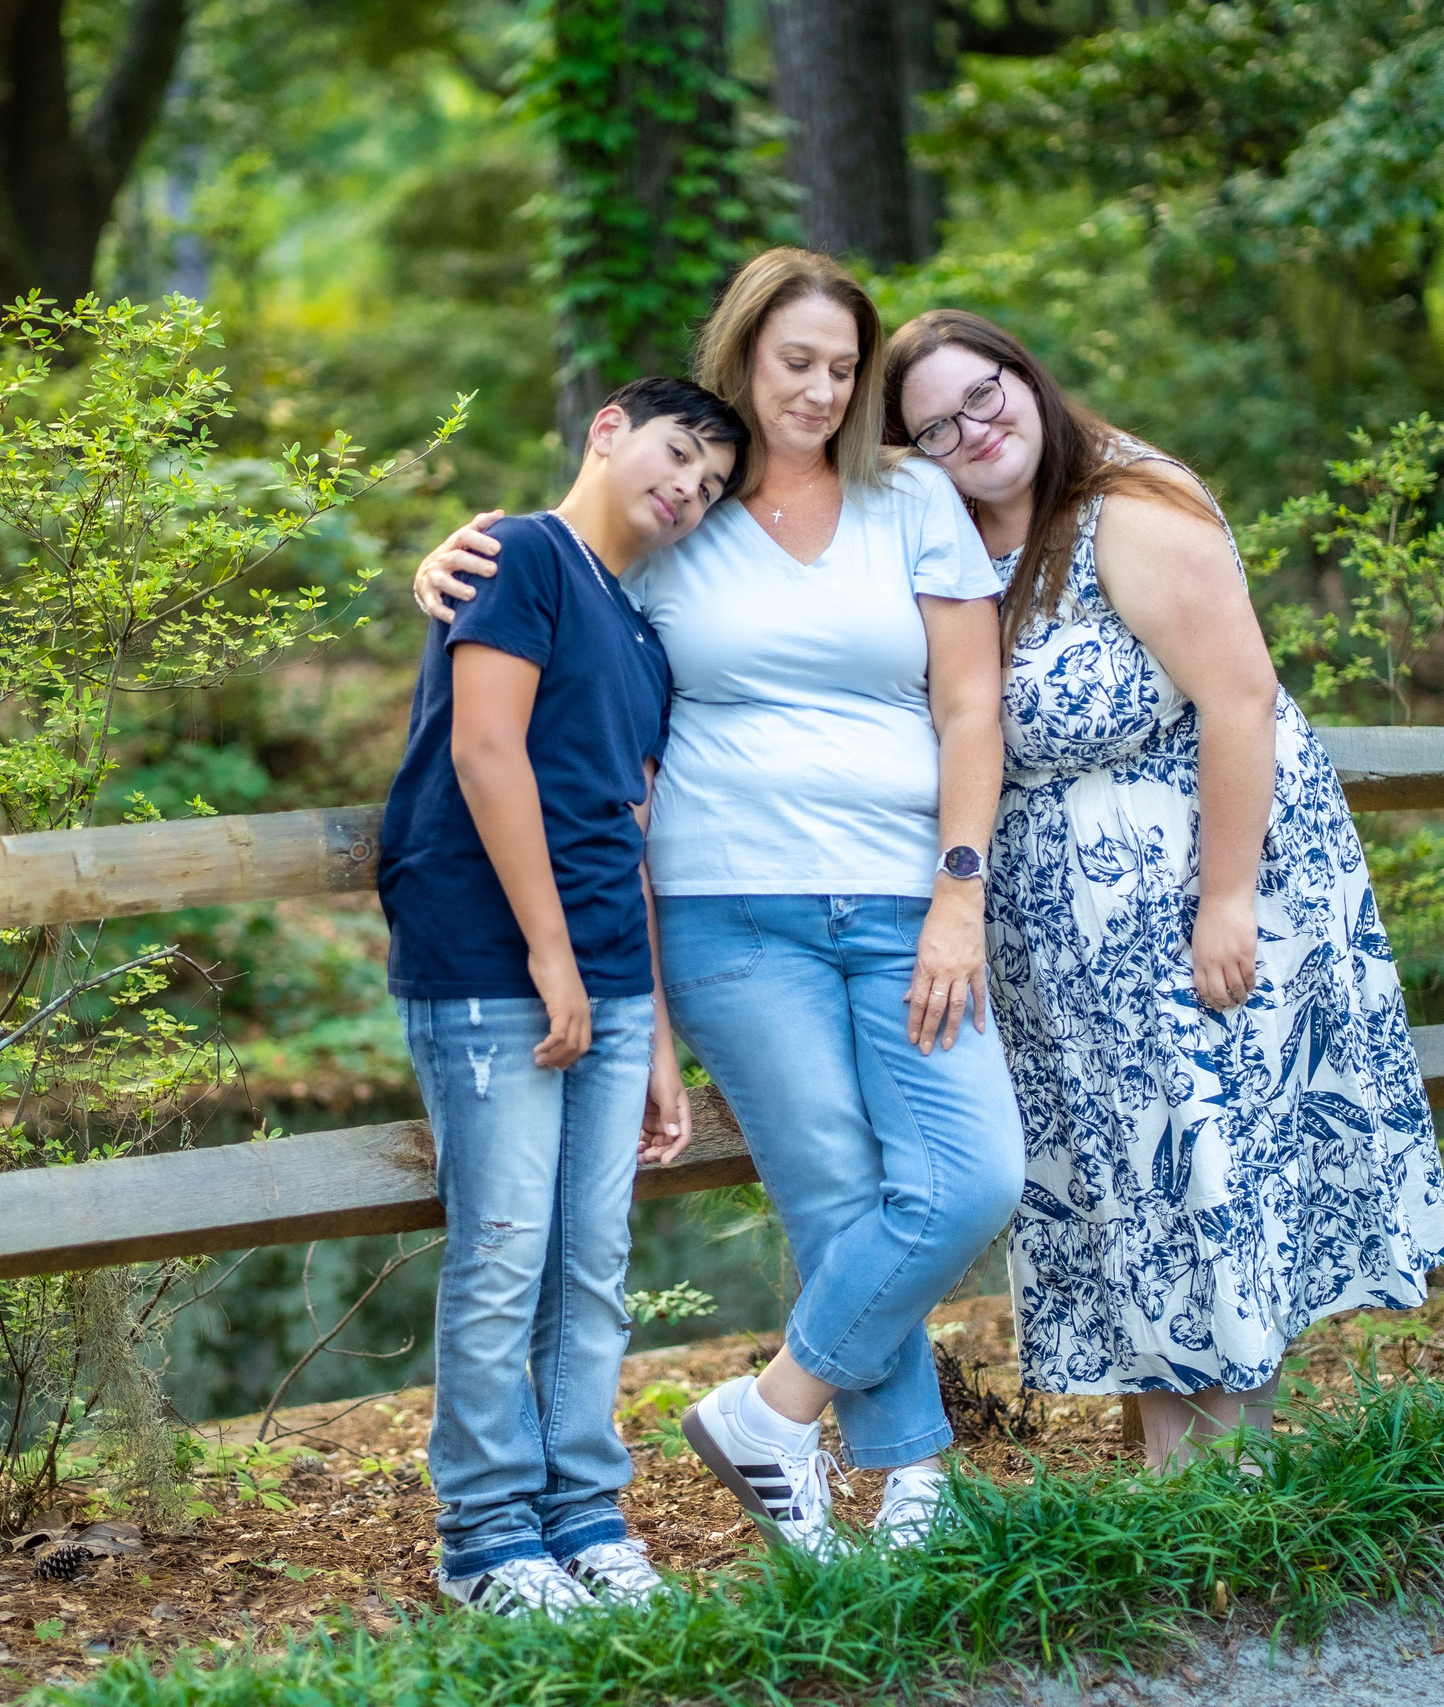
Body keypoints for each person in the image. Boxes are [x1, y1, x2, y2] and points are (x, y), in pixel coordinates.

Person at [412, 249, 1022, 1556]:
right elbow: (556, 579)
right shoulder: (685, 510)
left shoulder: (910, 494)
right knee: (833, 1190)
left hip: (907, 893)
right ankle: (913, 1493)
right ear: (741, 354)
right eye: (794, 359)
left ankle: (768, 1410)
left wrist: (959, 891)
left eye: (844, 367)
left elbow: (972, 700)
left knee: (972, 1174)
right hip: (729, 909)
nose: (818, 387)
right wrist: (443, 563)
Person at [881, 308, 1444, 1470]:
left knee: (1203, 1171)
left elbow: (1240, 703)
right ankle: (1178, 1484)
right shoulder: (951, 541)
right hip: (1055, 943)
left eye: (983, 396)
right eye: (934, 426)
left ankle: (1227, 1481)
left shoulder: (1130, 515)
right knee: (1121, 1196)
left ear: (1024, 377)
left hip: (1188, 905)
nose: (972, 431)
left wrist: (1226, 903)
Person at [380, 375, 746, 1615]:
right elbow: (486, 749)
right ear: (608, 429)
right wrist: (547, 952)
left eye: (709, 483)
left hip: (602, 976)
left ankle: (582, 1515)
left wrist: (643, 1025)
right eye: (678, 452)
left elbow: (626, 828)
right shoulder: (519, 554)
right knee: (499, 1252)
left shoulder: (643, 637)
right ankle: (484, 1539)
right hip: (490, 962)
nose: (687, 487)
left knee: (590, 1261)